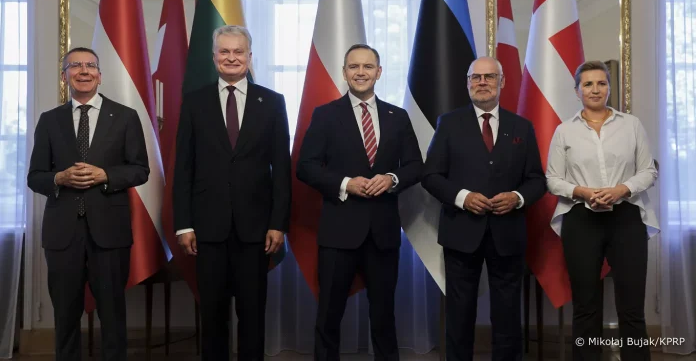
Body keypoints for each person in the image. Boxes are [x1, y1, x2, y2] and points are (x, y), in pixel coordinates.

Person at [296, 44, 423, 361]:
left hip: (383, 233)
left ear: (379, 72)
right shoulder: (325, 115)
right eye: (354, 67)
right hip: (339, 232)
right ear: (344, 73)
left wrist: (392, 179)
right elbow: (305, 167)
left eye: (368, 67)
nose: (361, 72)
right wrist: (345, 183)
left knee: (384, 315)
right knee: (329, 314)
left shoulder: (398, 117)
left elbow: (415, 167)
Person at [173, 25, 291, 361]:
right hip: (207, 229)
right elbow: (183, 168)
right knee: (213, 316)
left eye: (238, 52)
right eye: (224, 51)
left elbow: (282, 170)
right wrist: (184, 224)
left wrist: (278, 223)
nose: (231, 58)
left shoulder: (272, 102)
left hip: (256, 230)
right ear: (214, 57)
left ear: (250, 57)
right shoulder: (194, 102)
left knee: (252, 314)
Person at [27, 46, 149, 361]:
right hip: (62, 235)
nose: (84, 71)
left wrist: (106, 174)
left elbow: (140, 170)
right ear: (64, 75)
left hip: (109, 233)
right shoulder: (50, 120)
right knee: (65, 315)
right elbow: (35, 176)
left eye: (90, 65)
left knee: (113, 315)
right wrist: (59, 178)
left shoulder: (125, 117)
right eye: (75, 65)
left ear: (100, 75)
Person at [421, 56, 546, 361]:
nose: (482, 82)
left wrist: (517, 197)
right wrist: (463, 197)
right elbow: (430, 176)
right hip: (461, 232)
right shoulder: (449, 123)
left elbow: (536, 180)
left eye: (489, 77)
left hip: (508, 233)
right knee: (459, 314)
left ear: (502, 82)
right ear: (467, 83)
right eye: (475, 77)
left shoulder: (522, 126)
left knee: (507, 314)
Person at [546, 60, 659, 360]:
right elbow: (553, 179)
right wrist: (583, 192)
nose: (595, 89)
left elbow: (648, 171)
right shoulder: (564, 131)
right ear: (577, 91)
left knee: (631, 307)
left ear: (609, 88)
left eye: (601, 83)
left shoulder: (631, 125)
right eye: (588, 84)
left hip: (626, 218)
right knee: (585, 307)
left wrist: (621, 189)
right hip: (581, 220)